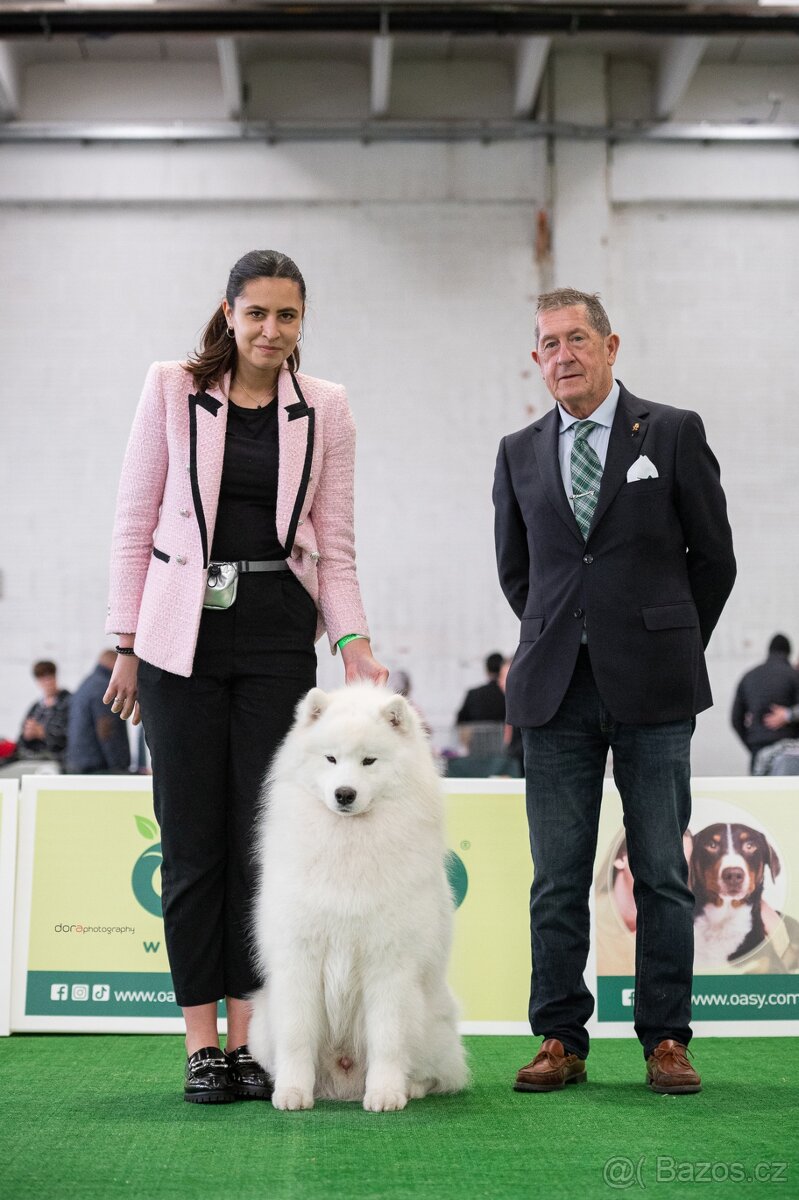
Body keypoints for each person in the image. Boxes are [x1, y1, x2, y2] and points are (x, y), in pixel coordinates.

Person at [103, 249, 388, 1104]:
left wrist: (354, 644)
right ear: (228, 313)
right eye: (256, 313)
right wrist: (126, 643)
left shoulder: (325, 407)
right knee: (192, 845)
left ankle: (251, 1037)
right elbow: (134, 519)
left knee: (263, 846)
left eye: (286, 315)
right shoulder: (170, 388)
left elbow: (335, 545)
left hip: (275, 637)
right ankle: (202, 1045)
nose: (270, 330)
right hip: (176, 640)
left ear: (302, 321)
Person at [493, 287, 736, 1095]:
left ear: (609, 346)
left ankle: (665, 1039)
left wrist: (668, 639)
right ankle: (559, 1039)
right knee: (555, 878)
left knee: (661, 871)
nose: (562, 355)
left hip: (655, 690)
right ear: (536, 360)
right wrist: (563, 632)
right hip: (553, 691)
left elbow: (714, 558)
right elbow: (519, 573)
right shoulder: (517, 451)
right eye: (547, 344)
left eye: (575, 339)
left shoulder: (670, 431)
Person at [731, 634, 799, 773]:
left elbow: (735, 719)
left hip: (758, 749)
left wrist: (752, 742)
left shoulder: (748, 676)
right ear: (788, 653)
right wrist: (789, 715)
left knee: (759, 786)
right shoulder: (793, 675)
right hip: (788, 752)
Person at [0, 660, 71, 775]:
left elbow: (73, 736)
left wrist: (44, 733)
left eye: (50, 677)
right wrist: (27, 736)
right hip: (33, 758)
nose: (47, 682)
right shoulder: (36, 708)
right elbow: (21, 739)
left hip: (57, 761)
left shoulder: (69, 703)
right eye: (43, 679)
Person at [65, 650, 131, 774]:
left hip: (78, 763)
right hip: (98, 768)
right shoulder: (105, 688)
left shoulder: (87, 683)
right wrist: (120, 767)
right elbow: (108, 731)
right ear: (115, 664)